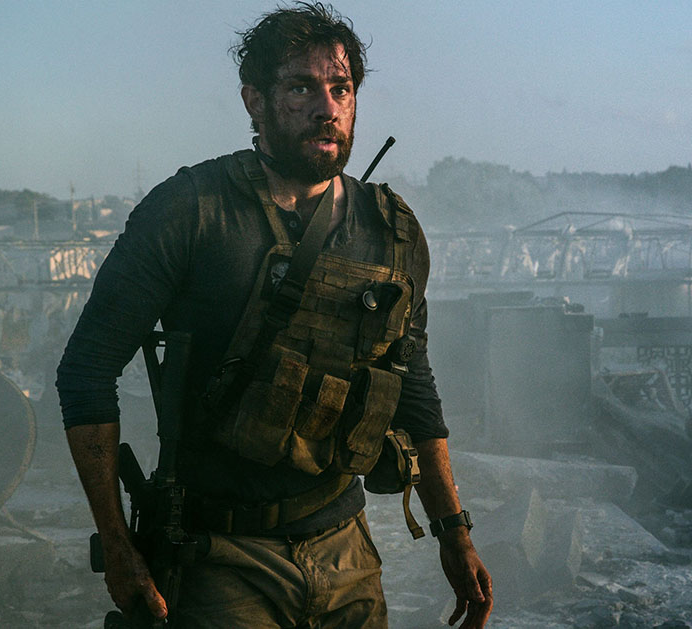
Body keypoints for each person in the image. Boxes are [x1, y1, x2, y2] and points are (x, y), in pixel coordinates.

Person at [56, 3, 492, 628]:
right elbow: (87, 372)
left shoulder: (390, 231)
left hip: (347, 552)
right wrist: (118, 546)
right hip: (218, 559)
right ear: (254, 101)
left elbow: (411, 383)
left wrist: (454, 532)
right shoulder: (190, 211)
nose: (327, 108)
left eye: (341, 89)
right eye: (301, 88)